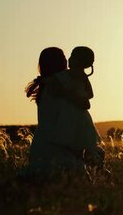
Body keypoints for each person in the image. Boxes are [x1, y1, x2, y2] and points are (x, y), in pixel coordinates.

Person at [23, 47, 87, 178]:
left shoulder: (47, 86)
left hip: (42, 147)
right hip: (57, 148)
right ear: (58, 62)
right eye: (63, 56)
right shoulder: (58, 87)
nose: (66, 59)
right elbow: (67, 119)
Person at [49, 46, 105, 168]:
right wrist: (81, 96)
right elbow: (90, 94)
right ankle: (83, 167)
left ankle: (76, 168)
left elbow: (54, 87)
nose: (69, 59)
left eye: (71, 56)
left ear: (76, 60)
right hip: (81, 115)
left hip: (68, 114)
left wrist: (69, 94)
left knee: (69, 144)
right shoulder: (83, 76)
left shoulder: (64, 75)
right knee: (80, 144)